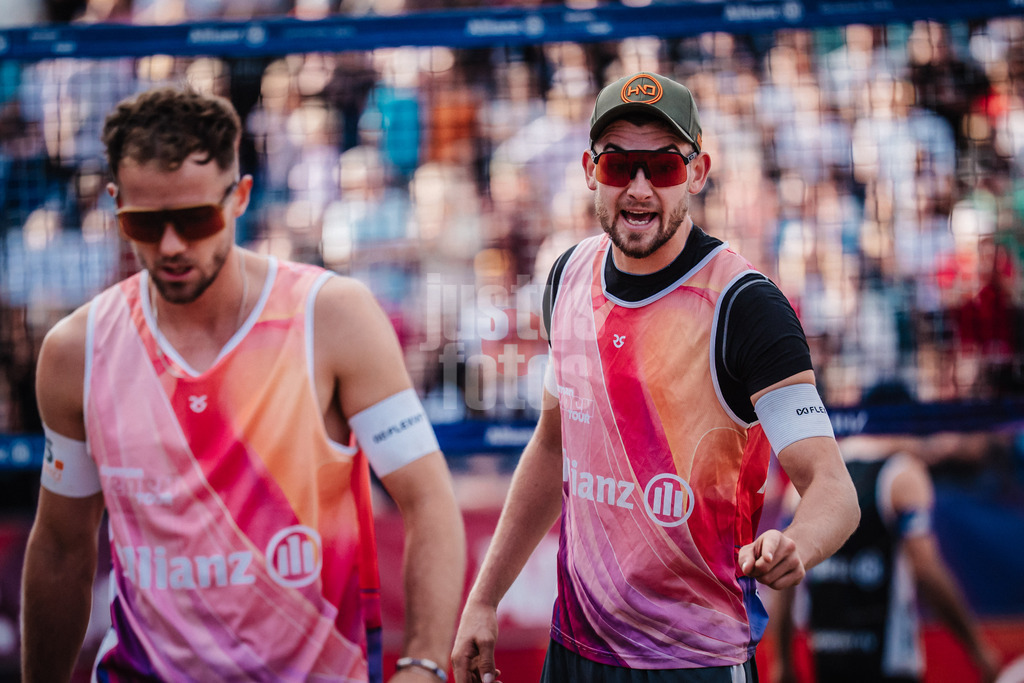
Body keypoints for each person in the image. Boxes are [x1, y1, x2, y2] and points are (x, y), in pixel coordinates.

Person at [20, 86, 466, 683]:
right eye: (145, 223)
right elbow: (61, 547)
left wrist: (424, 664)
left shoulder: (330, 317)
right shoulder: (78, 351)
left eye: (196, 218)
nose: (172, 244)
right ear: (115, 205)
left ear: (240, 199)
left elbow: (429, 501)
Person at [451, 71, 860, 683]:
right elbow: (554, 443)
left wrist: (796, 543)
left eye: (663, 167)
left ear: (697, 173)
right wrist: (484, 598)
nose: (639, 188)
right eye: (620, 166)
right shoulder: (568, 276)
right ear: (591, 170)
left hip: (692, 660)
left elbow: (833, 488)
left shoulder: (744, 305)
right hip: (576, 651)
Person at [773, 433, 1002, 683]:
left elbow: (783, 579)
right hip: (889, 663)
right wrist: (976, 647)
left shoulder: (807, 484)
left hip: (828, 658)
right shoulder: (901, 473)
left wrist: (783, 662)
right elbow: (925, 569)